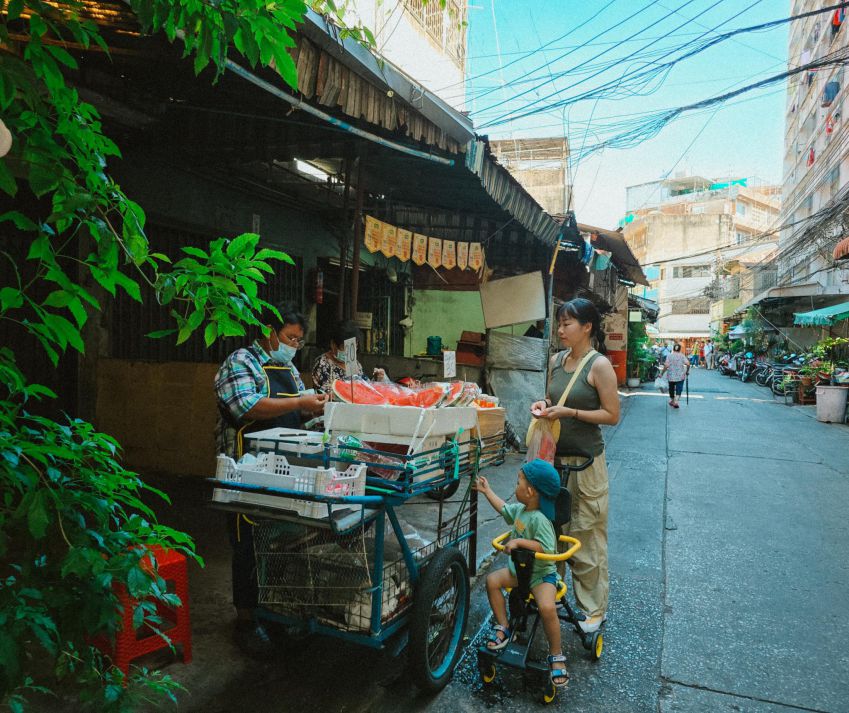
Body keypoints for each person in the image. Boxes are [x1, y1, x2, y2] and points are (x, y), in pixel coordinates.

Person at [214, 303, 328, 656]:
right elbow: (244, 407)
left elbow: (300, 419)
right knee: (247, 542)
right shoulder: (240, 362)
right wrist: (298, 403)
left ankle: (276, 610)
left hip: (286, 469)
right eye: (289, 337)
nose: (293, 345)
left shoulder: (290, 370)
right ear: (269, 332)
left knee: (279, 539)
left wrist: (321, 416)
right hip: (245, 468)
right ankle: (246, 619)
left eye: (298, 340)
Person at [529, 297, 620, 635]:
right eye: (560, 323)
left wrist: (571, 414)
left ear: (587, 327)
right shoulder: (556, 361)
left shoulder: (599, 366)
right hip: (551, 462)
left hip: (585, 465)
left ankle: (593, 610)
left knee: (585, 535)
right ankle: (551, 598)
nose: (561, 329)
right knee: (550, 533)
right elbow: (554, 399)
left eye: (568, 323)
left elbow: (612, 415)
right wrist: (545, 405)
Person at [473, 460, 570, 689]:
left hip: (540, 575)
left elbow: (547, 548)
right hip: (519, 572)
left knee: (547, 608)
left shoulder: (540, 520)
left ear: (530, 491)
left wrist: (519, 541)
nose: (515, 486)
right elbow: (503, 509)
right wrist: (488, 491)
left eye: (518, 482)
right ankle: (503, 626)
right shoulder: (520, 510)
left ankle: (556, 654)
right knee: (492, 581)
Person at [311, 319, 387, 395]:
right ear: (333, 344)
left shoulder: (356, 364)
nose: (349, 352)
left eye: (353, 347)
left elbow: (365, 387)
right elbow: (323, 394)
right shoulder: (322, 364)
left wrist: (376, 379)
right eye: (344, 347)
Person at [660, 343, 690, 409]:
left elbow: (666, 366)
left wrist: (661, 373)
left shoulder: (669, 356)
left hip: (671, 376)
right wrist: (687, 371)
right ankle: (676, 401)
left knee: (671, 389)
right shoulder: (682, 356)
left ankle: (673, 400)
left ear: (673, 349)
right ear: (680, 349)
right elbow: (688, 364)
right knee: (679, 388)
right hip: (680, 376)